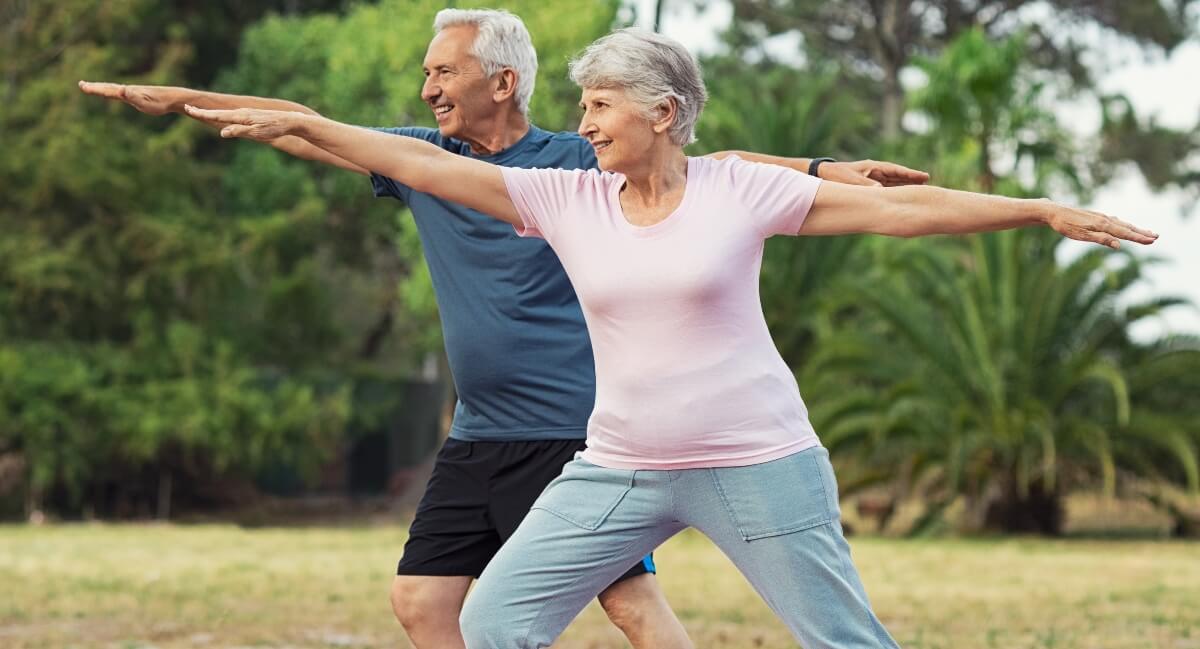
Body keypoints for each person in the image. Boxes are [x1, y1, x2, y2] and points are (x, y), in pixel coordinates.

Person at [184, 23, 1157, 645]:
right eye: (581, 106)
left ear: (664, 113)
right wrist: (303, 121)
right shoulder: (565, 197)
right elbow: (423, 165)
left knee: (844, 641)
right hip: (620, 466)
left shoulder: (741, 187)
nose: (585, 123)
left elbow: (905, 214)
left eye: (600, 106)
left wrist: (1035, 209)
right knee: (492, 618)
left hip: (756, 459)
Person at [81, 9, 932, 649]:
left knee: (627, 600)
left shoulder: (577, 164)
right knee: (422, 601)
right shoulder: (426, 163)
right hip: (480, 429)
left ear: (503, 82)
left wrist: (823, 171)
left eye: (444, 71)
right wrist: (184, 101)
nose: (428, 88)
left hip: (570, 427)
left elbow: (711, 169)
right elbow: (304, 120)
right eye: (426, 74)